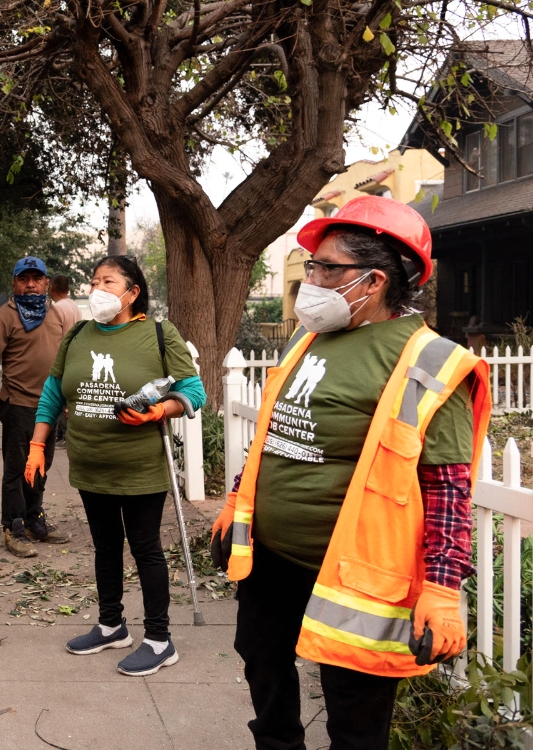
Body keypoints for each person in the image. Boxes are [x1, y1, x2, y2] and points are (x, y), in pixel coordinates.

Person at [210, 196, 491, 750]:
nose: (309, 278)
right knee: (261, 659)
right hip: (273, 558)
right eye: (311, 265)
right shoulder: (308, 339)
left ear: (373, 280)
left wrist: (440, 586)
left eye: (324, 267)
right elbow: (272, 433)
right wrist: (236, 503)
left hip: (354, 576)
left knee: (354, 709)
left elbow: (448, 491)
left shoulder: (430, 362)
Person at [25, 255, 206, 676]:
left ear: (132, 292)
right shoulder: (78, 336)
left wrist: (159, 411)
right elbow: (54, 392)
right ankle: (111, 625)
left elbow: (194, 391)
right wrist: (37, 444)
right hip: (90, 465)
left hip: (139, 468)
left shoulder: (158, 335)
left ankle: (159, 640)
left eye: (108, 281)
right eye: (93, 280)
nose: (97, 288)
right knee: (105, 546)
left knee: (144, 548)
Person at [0, 256, 70, 558]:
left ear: (46, 284)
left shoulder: (54, 315)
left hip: (49, 406)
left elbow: (63, 360)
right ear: (14, 283)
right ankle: (12, 526)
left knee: (41, 465)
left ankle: (33, 519)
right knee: (16, 469)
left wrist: (67, 399)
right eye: (24, 279)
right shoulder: (4, 317)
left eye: (36, 279)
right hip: (17, 405)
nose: (30, 284)